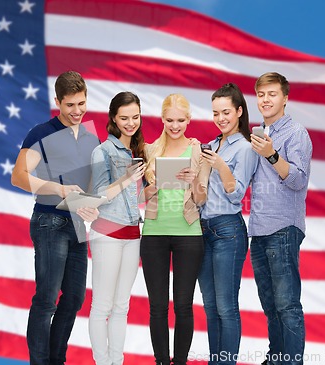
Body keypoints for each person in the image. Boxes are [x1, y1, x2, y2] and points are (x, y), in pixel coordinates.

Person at [11, 71, 100, 365]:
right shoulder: (42, 133)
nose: (77, 111)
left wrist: (92, 205)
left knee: (74, 298)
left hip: (76, 224)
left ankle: (55, 359)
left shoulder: (89, 137)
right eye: (70, 105)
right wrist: (58, 188)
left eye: (82, 103)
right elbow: (19, 177)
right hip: (49, 222)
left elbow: (88, 185)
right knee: (47, 299)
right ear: (57, 102)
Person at [140, 93, 210, 365]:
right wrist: (152, 186)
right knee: (157, 306)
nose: (175, 125)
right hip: (154, 233)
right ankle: (161, 361)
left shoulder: (197, 151)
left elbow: (202, 198)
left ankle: (180, 361)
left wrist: (194, 182)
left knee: (183, 305)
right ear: (162, 119)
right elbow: (138, 198)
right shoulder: (149, 150)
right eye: (170, 120)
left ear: (189, 119)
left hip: (188, 234)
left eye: (181, 120)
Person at [249, 72, 312, 365]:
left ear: (285, 98)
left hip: (284, 228)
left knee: (287, 305)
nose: (265, 100)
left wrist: (272, 155)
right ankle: (275, 359)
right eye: (261, 94)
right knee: (270, 305)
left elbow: (298, 180)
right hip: (258, 230)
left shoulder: (295, 133)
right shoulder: (257, 134)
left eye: (272, 94)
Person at [197, 83, 259, 365]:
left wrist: (221, 166)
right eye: (216, 113)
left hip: (227, 230)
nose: (221, 118)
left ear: (239, 112)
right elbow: (202, 191)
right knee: (210, 306)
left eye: (226, 112)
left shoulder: (245, 148)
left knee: (226, 306)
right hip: (203, 229)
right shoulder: (211, 145)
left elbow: (237, 194)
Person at [88, 91, 147, 365]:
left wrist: (169, 181)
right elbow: (98, 194)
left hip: (133, 234)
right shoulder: (102, 151)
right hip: (107, 234)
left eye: (135, 117)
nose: (130, 123)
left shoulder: (139, 152)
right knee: (102, 306)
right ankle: (102, 362)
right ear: (113, 118)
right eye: (124, 118)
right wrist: (125, 178)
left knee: (122, 306)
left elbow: (138, 199)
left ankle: (117, 361)